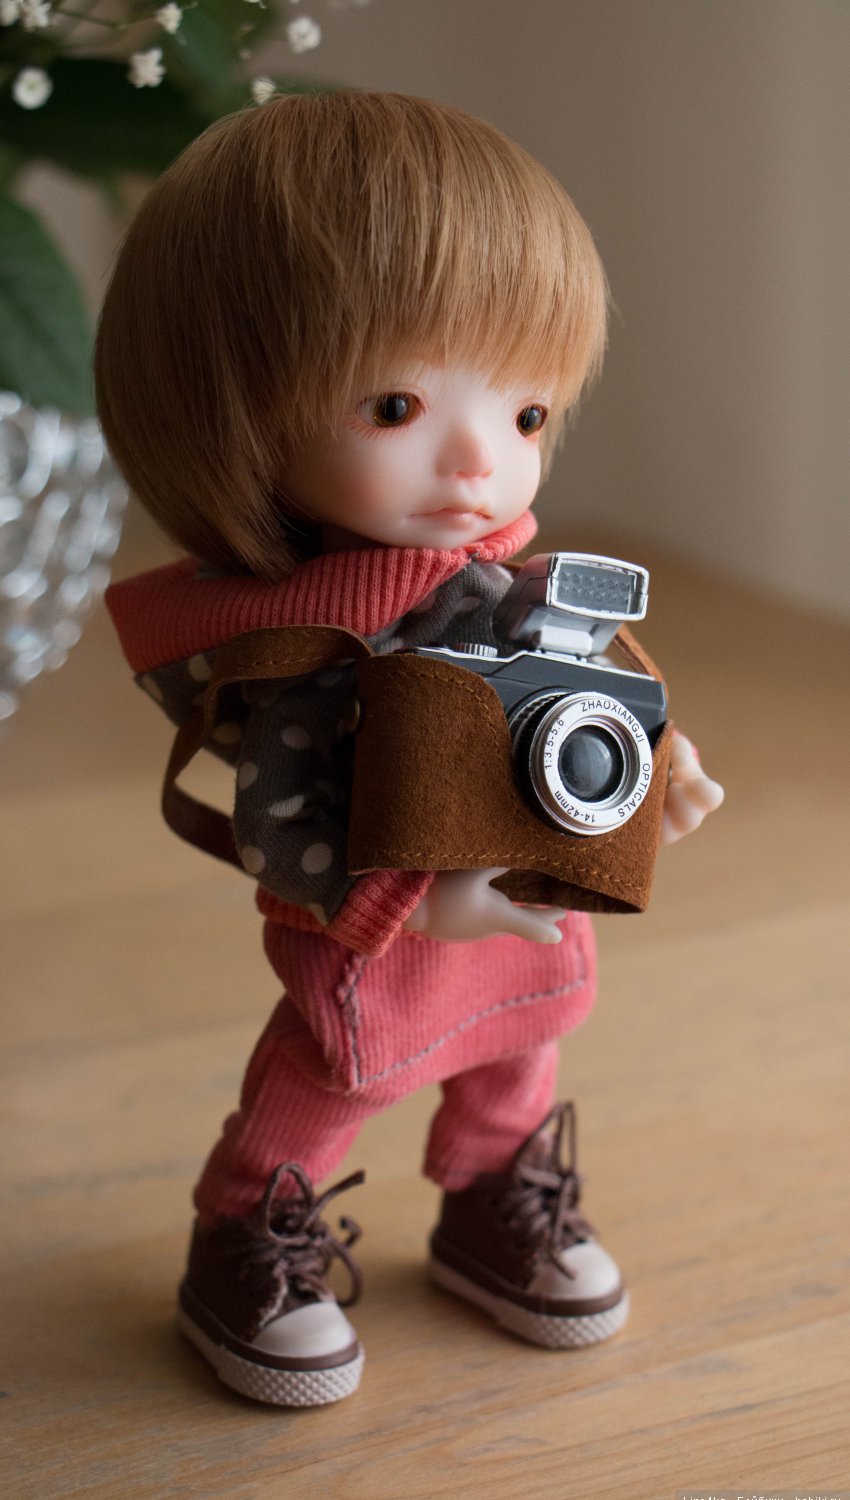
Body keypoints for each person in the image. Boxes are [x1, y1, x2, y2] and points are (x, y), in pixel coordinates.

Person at [96, 90, 723, 1409]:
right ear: (231, 418)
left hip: (529, 902)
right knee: (328, 1077)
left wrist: (651, 778)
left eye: (528, 415)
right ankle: (247, 1227)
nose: (478, 462)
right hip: (373, 925)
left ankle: (494, 1194)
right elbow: (279, 814)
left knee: (520, 1054)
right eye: (396, 406)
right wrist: (418, 900)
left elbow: (588, 703)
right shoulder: (304, 640)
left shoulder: (522, 588)